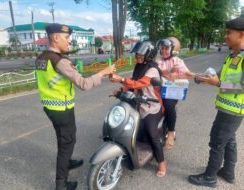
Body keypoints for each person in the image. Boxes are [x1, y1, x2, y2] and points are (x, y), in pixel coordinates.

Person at [35, 23, 116, 190]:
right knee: (67, 143)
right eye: (66, 38)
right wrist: (104, 72)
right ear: (56, 38)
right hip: (62, 108)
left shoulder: (41, 57)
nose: (69, 42)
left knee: (65, 138)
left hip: (51, 107)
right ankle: (61, 184)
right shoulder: (59, 61)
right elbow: (84, 84)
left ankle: (68, 162)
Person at [188, 16, 244, 188]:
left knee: (217, 142)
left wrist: (218, 84)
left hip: (233, 111)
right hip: (227, 109)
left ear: (241, 34)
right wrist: (201, 78)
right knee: (229, 141)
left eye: (229, 33)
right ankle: (227, 172)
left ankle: (210, 177)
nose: (225, 36)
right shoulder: (232, 56)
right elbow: (218, 76)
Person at [109, 40, 167, 177]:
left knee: (152, 134)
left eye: (141, 54)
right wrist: (119, 90)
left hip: (151, 106)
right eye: (137, 54)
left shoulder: (152, 69)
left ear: (149, 55)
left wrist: (121, 80)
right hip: (137, 104)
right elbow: (132, 82)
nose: (138, 56)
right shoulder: (138, 66)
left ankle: (162, 163)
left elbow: (140, 84)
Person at [156, 37, 195, 149]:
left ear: (172, 49)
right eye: (162, 48)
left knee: (168, 105)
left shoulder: (177, 61)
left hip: (171, 92)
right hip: (159, 90)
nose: (163, 51)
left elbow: (186, 73)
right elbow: (158, 71)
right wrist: (170, 71)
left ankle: (172, 132)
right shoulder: (159, 61)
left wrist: (197, 76)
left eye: (166, 48)